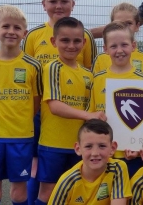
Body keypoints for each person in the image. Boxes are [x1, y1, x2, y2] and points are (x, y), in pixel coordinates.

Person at [22, 0, 97, 205]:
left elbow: (86, 72)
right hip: (40, 111)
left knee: (70, 177)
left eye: (63, 1)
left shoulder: (86, 37)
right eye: (53, 1)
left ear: (72, 4)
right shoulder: (34, 36)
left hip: (73, 117)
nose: (58, 6)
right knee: (36, 166)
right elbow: (28, 73)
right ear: (43, 4)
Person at [0, 5, 42, 205]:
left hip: (21, 138)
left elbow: (35, 103)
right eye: (6, 26)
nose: (11, 31)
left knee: (19, 193)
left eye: (17, 28)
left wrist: (18, 123)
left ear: (24, 33)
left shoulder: (33, 66)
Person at [35, 17, 106, 205]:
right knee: (48, 192)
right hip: (53, 144)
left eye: (76, 41)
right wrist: (88, 115)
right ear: (53, 42)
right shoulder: (52, 68)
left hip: (80, 147)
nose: (71, 45)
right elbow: (54, 106)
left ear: (84, 42)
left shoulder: (88, 75)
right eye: (65, 40)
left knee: (74, 193)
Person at [88, 21, 143, 177]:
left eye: (124, 45)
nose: (119, 50)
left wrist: (139, 147)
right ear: (105, 50)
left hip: (133, 155)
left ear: (133, 46)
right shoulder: (97, 79)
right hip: (104, 155)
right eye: (113, 46)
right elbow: (91, 119)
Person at [48, 119, 131, 205]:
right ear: (78, 149)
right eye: (88, 146)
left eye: (102, 146)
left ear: (112, 148)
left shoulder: (117, 168)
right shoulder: (67, 181)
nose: (95, 153)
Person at [91, 2, 143, 79]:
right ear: (111, 25)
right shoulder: (100, 59)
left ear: (137, 26)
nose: (123, 27)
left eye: (129, 23)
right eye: (118, 23)